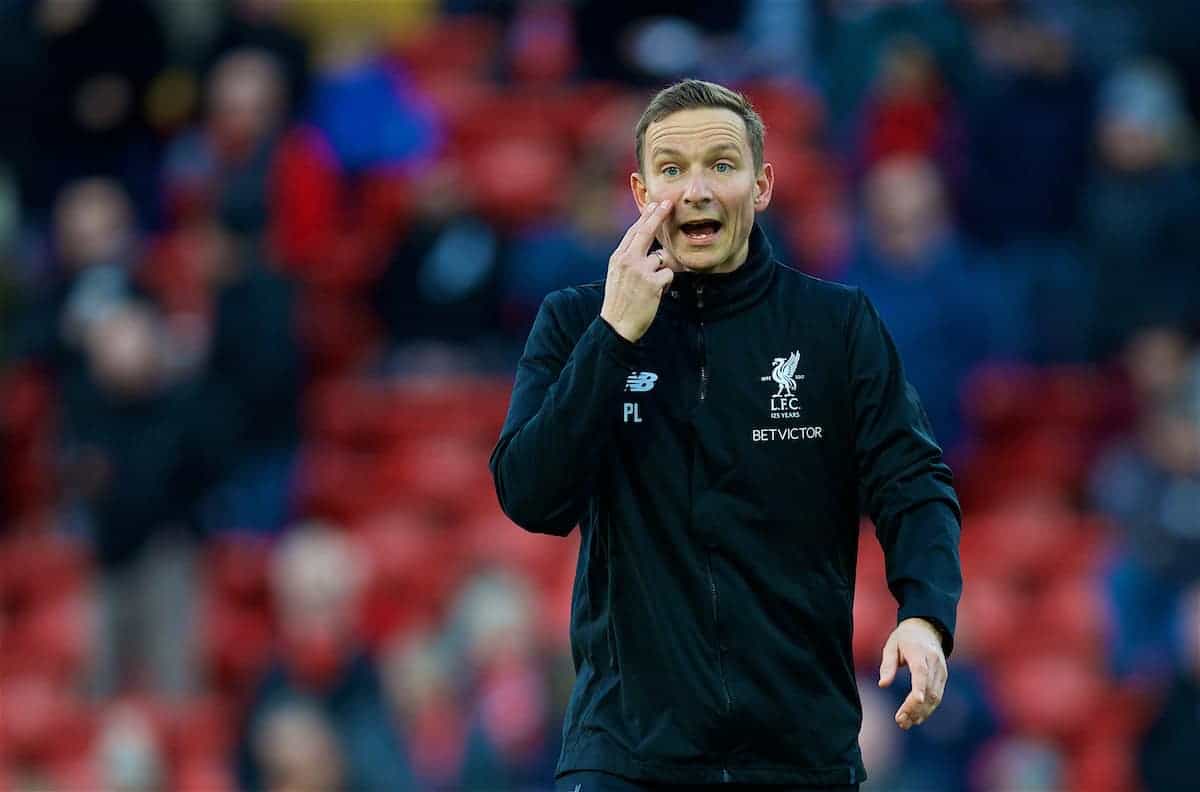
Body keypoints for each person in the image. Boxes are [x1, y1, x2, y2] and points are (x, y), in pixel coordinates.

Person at [490, 79, 963, 791]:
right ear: (641, 190)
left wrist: (925, 616)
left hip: (797, 753)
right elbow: (531, 497)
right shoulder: (575, 323)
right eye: (673, 170)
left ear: (763, 184)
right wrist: (614, 337)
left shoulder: (834, 326)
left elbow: (913, 484)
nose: (698, 189)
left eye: (722, 163)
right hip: (624, 755)